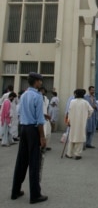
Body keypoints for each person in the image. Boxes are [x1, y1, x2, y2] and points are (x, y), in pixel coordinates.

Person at [11, 72, 48, 204]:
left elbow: (21, 112)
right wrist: (42, 137)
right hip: (33, 130)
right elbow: (39, 120)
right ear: (36, 81)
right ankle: (35, 195)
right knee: (34, 162)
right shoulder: (38, 96)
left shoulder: (24, 95)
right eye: (40, 81)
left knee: (21, 160)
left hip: (24, 129)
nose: (41, 83)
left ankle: (15, 190)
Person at [66, 89, 93, 160]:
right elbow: (91, 110)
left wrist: (68, 121)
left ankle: (69, 154)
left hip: (72, 122)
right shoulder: (85, 102)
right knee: (80, 137)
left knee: (71, 137)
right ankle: (77, 154)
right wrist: (87, 116)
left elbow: (69, 111)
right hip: (81, 122)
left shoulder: (72, 101)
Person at [40, 87, 52, 151]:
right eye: (41, 90)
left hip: (46, 117)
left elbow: (46, 107)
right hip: (40, 117)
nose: (42, 92)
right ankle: (42, 146)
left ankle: (46, 145)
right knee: (43, 132)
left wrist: (47, 115)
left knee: (48, 132)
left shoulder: (46, 98)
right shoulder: (37, 98)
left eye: (43, 91)